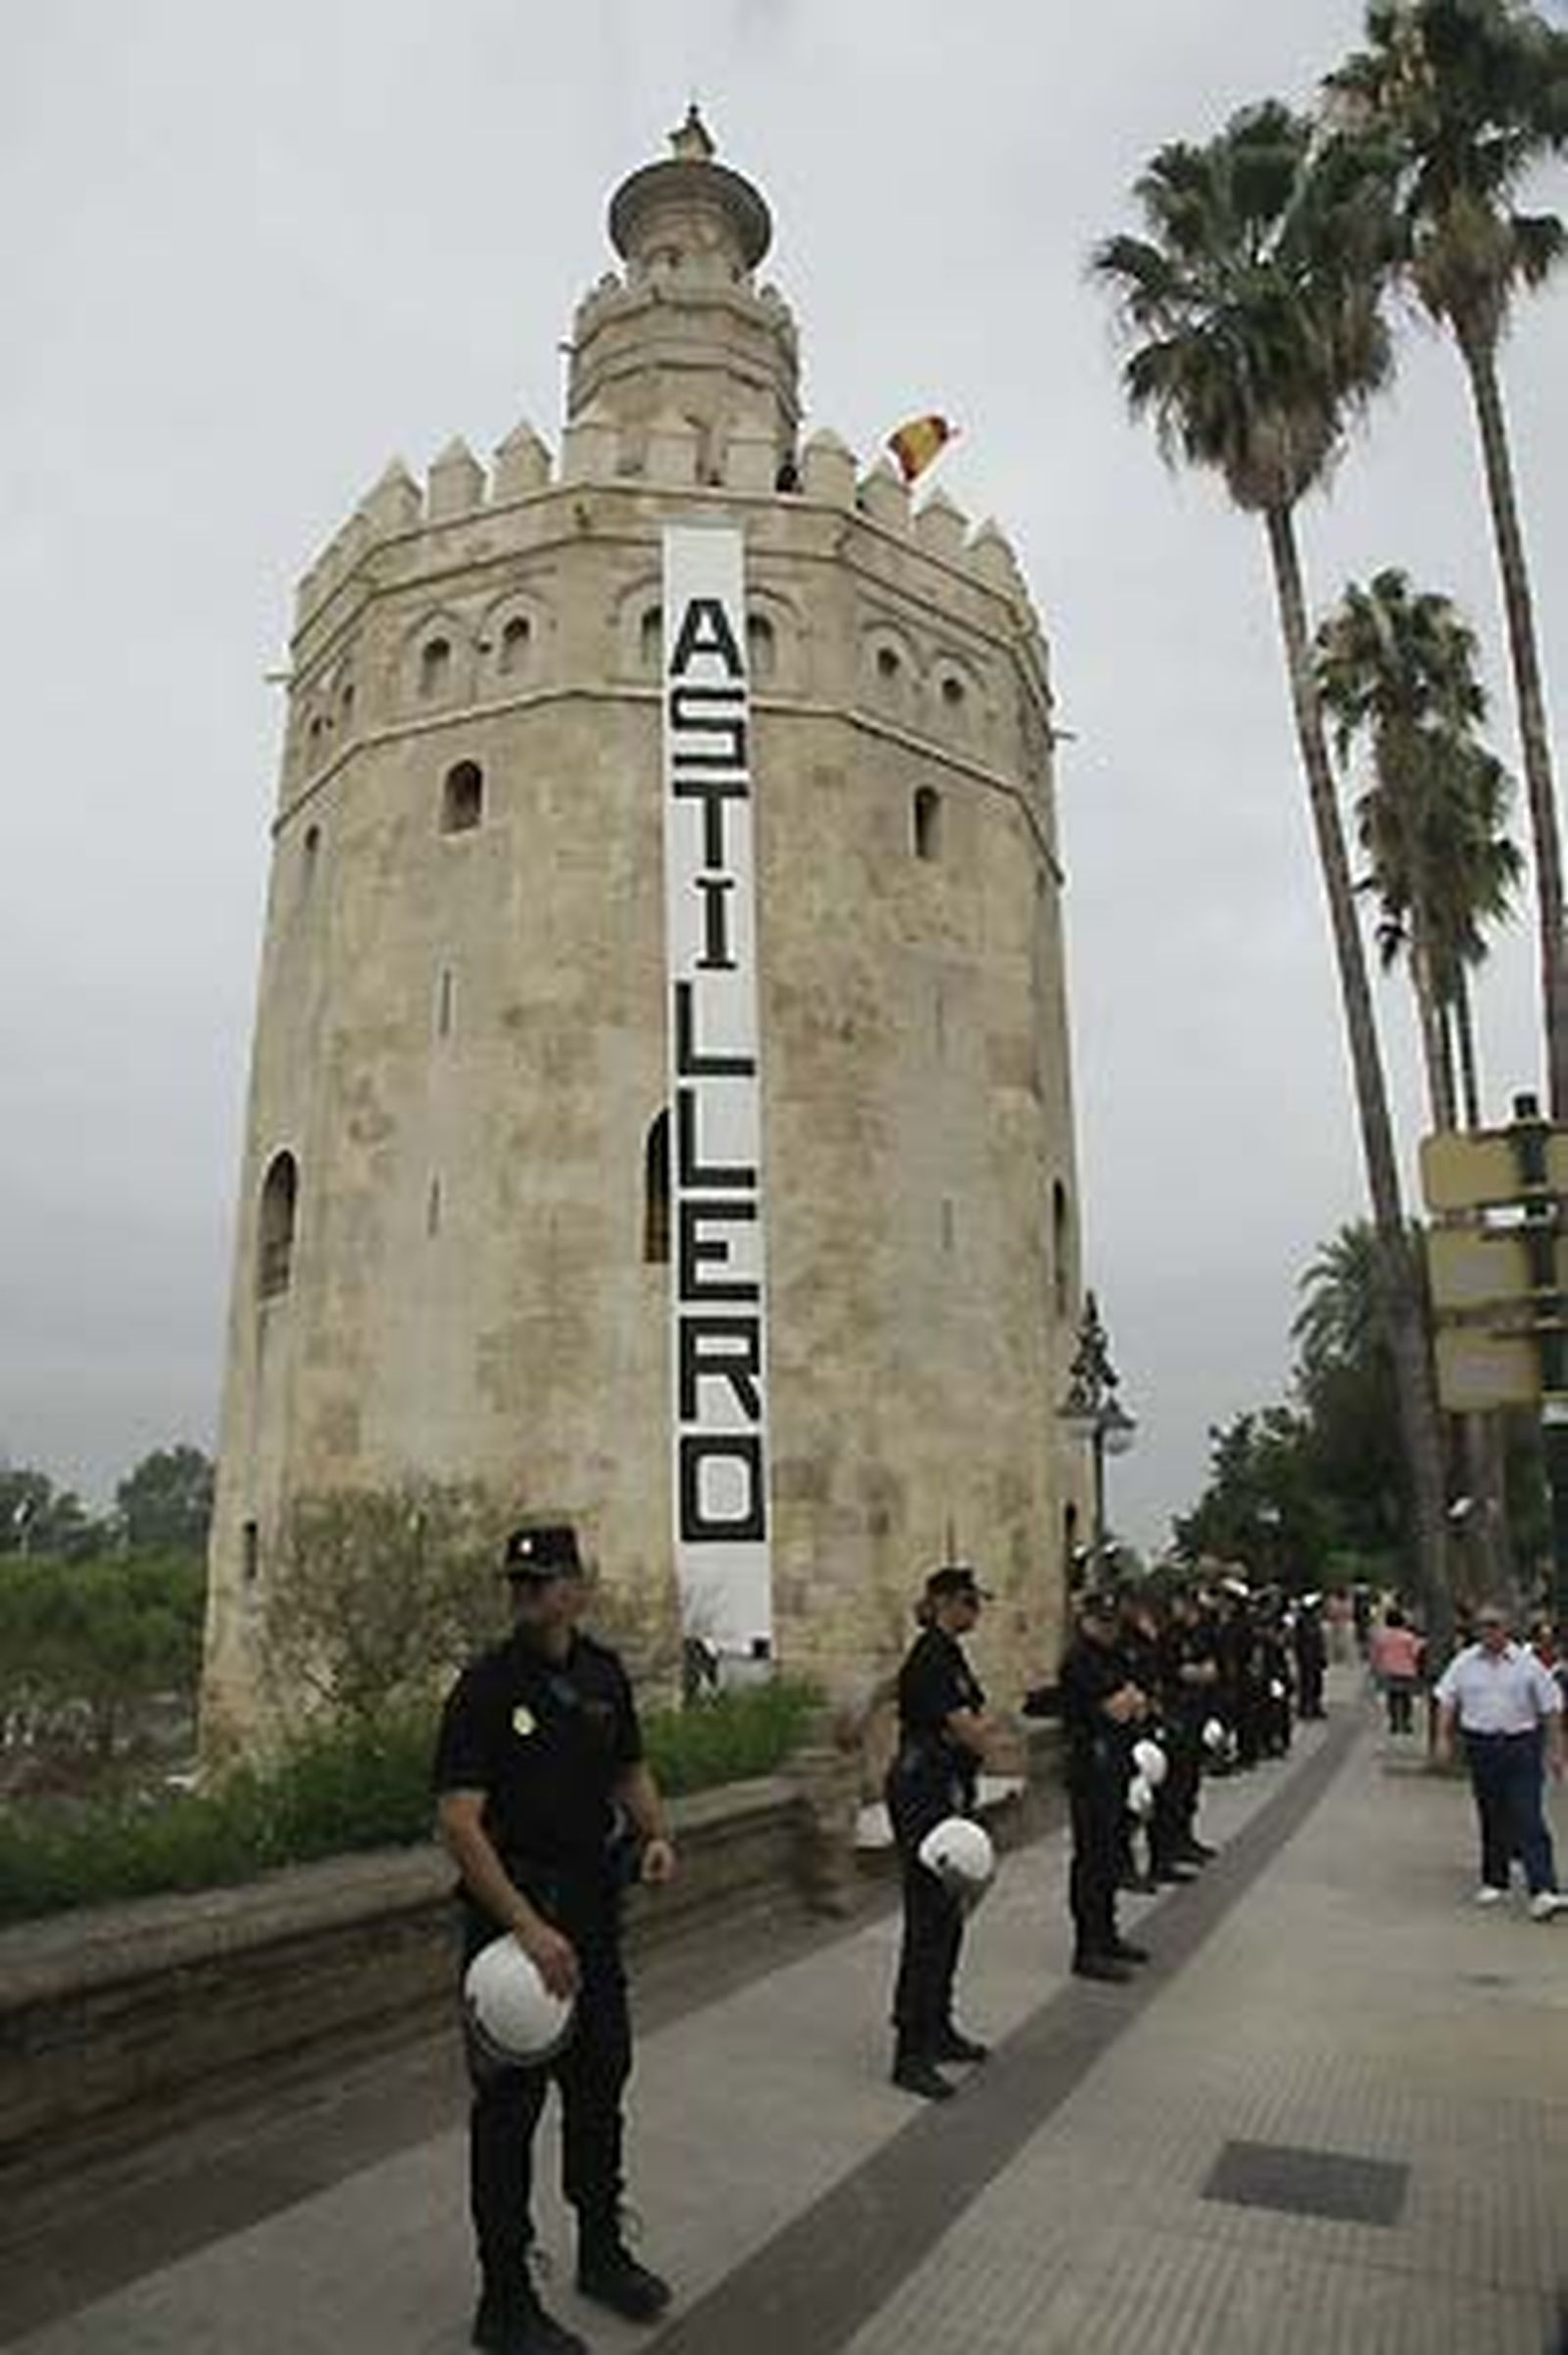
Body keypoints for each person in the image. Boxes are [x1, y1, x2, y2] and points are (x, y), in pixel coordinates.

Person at [433, 1520, 677, 2355]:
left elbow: (629, 1766)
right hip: (514, 1929)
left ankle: (602, 2252)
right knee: (507, 2114)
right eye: (518, 1583)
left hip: (593, 1919)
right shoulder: (485, 1686)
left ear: (578, 1586)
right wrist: (528, 1928)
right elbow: (460, 1824)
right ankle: (503, 2300)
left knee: (600, 2091)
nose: (527, 1595)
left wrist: (655, 1831)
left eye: (541, 1581)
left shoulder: (604, 1675)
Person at [884, 1563, 998, 2099]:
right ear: (949, 1602)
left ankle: (939, 2025)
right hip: (923, 1791)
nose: (977, 1612)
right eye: (972, 1602)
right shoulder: (930, 1655)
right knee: (928, 1918)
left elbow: (976, 1722)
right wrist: (981, 1736)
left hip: (945, 1788)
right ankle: (910, 2049)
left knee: (948, 1917)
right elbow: (967, 1728)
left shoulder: (949, 1652)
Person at [1433, 1600, 1568, 1919]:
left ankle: (1543, 1887)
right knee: (1492, 1811)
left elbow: (1550, 1708)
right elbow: (1446, 1699)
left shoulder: (1527, 1665)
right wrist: (1442, 1737)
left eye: (1495, 1625)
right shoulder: (1464, 1663)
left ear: (1507, 1629)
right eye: (1483, 1625)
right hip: (1482, 1745)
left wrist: (1556, 1751)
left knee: (1527, 1812)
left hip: (1521, 1743)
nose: (1488, 1632)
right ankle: (1496, 1878)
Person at [1057, 1587, 1152, 1982]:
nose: (1112, 1630)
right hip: (1090, 1770)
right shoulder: (1079, 1659)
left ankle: (1107, 1934)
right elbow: (1117, 1709)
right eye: (1104, 1622)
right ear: (1088, 1621)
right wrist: (1126, 1699)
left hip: (1115, 1766)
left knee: (1112, 1853)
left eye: (1114, 1622)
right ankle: (1088, 1946)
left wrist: (1128, 1699)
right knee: (1092, 1859)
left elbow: (1139, 1700)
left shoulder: (1112, 1655)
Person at [1370, 1605, 1423, 1736]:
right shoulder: (1408, 1637)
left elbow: (1376, 1653)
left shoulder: (1381, 1637)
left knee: (1392, 1697)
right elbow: (1415, 1653)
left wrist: (1375, 1667)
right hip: (1407, 1670)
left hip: (1388, 1670)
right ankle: (1406, 1722)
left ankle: (1394, 1722)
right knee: (1406, 1697)